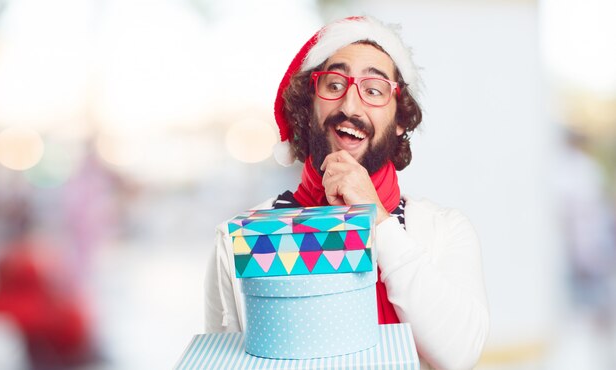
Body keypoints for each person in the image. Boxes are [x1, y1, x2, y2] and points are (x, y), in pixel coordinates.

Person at [204, 16, 489, 370]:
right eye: (334, 84)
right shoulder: (239, 240)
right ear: (308, 108)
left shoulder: (444, 231)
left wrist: (376, 219)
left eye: (373, 90)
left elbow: (457, 355)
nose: (350, 107)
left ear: (400, 118)